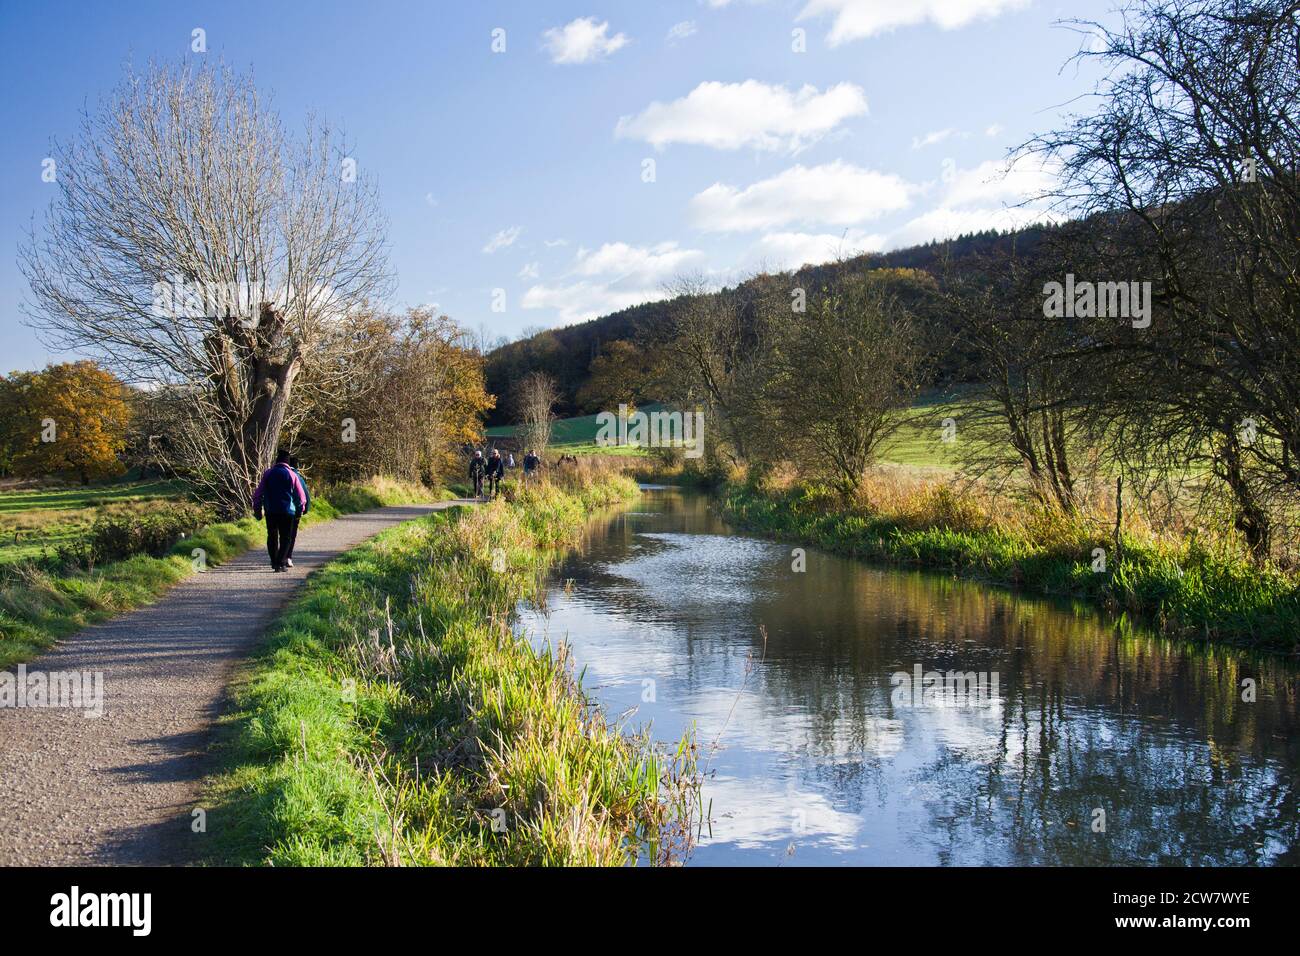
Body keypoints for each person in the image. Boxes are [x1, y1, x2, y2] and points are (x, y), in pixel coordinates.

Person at [252, 450, 308, 572]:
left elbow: (258, 493)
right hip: (288, 511)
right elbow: (301, 496)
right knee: (286, 537)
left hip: (271, 511)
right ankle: (281, 562)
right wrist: (300, 509)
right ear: (287, 462)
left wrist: (257, 507)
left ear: (277, 461)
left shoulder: (268, 473)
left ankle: (274, 561)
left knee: (272, 536)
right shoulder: (292, 474)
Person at [285, 455, 311, 568]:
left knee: (280, 534)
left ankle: (279, 555)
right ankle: (288, 557)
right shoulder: (298, 477)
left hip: (276, 509)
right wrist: (305, 509)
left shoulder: (275, 473)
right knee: (291, 535)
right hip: (294, 510)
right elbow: (305, 495)